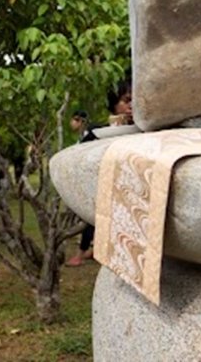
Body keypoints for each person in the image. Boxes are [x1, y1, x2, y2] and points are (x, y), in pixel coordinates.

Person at [66, 81, 133, 267]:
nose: (131, 106)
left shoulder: (145, 130)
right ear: (114, 105)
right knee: (93, 219)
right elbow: (81, 152)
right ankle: (82, 253)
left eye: (136, 101)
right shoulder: (102, 132)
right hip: (105, 186)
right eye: (126, 101)